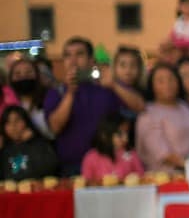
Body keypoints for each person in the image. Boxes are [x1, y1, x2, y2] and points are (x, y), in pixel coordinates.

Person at [45, 36, 146, 174]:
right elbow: (55, 127)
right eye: (68, 55)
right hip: (71, 167)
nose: (73, 60)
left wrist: (114, 85)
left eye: (79, 54)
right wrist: (70, 94)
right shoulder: (56, 92)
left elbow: (140, 107)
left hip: (107, 166)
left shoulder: (106, 87)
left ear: (91, 60)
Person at [135, 62, 189, 171]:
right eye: (161, 81)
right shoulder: (148, 114)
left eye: (171, 79)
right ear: (152, 85)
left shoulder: (184, 106)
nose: (167, 84)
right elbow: (161, 153)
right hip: (166, 176)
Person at [1, 104, 60, 181]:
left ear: (26, 122)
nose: (13, 126)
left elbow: (49, 168)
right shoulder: (4, 149)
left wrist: (31, 142)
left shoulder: (39, 143)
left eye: (17, 120)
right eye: (8, 122)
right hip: (11, 192)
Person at [5, 57, 52, 138]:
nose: (23, 77)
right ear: (11, 78)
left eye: (29, 72)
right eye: (17, 74)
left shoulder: (50, 98)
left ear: (37, 75)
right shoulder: (8, 105)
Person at [110, 46, 145, 122]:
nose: (128, 71)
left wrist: (114, 85)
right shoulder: (108, 91)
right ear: (114, 67)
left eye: (133, 65)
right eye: (122, 65)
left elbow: (140, 107)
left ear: (140, 69)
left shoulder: (144, 91)